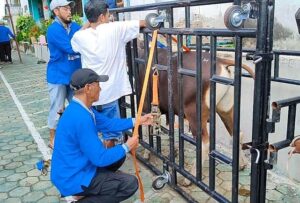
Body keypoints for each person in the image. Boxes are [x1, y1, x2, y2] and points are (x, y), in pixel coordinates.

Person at [51, 68, 152, 202]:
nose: (100, 89)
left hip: (75, 168)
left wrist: (138, 121)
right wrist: (128, 146)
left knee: (118, 156)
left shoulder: (81, 108)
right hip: (73, 178)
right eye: (98, 85)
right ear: (88, 88)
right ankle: (81, 197)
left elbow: (109, 124)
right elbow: (100, 158)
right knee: (129, 184)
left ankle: (96, 185)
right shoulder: (80, 118)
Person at [71, 0, 146, 149]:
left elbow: (77, 36)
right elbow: (143, 23)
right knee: (111, 132)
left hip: (88, 95)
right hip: (108, 93)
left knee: (95, 127)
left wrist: (89, 22)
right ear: (101, 17)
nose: (110, 17)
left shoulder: (80, 37)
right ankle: (109, 160)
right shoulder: (115, 29)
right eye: (108, 14)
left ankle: (102, 152)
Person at [47, 0, 88, 148]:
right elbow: (71, 47)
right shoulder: (53, 30)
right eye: (65, 8)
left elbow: (86, 38)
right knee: (57, 108)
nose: (69, 11)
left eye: (70, 8)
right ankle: (53, 138)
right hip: (58, 76)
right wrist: (87, 26)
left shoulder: (75, 27)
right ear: (56, 11)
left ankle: (80, 136)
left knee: (80, 107)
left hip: (74, 76)